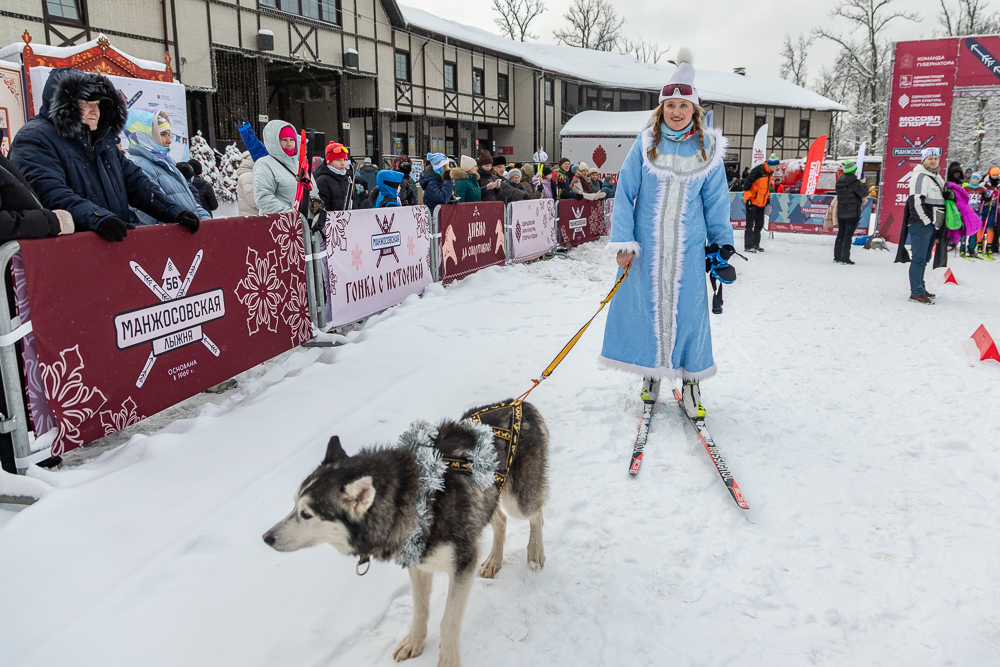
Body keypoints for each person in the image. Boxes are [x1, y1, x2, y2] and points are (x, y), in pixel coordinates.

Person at [601, 54, 736, 419]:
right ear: (661, 109)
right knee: (645, 310)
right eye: (670, 105)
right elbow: (626, 193)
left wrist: (721, 248)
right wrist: (625, 242)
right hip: (646, 251)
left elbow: (717, 203)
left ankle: (691, 384)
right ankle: (651, 373)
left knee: (691, 317)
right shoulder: (645, 143)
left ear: (695, 108)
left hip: (689, 253)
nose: (676, 111)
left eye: (684, 105)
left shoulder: (708, 149)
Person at [9, 67, 199, 242]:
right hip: (70, 251)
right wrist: (98, 218)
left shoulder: (102, 140)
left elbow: (136, 183)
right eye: (84, 103)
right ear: (65, 105)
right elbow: (49, 192)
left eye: (97, 104)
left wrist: (173, 211)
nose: (94, 110)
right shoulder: (35, 137)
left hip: (111, 247)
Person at [124, 109, 208, 229]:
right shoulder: (138, 167)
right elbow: (154, 218)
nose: (169, 140)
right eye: (163, 134)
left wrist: (206, 224)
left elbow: (192, 204)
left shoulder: (168, 163)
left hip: (187, 235)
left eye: (169, 134)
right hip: (171, 239)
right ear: (146, 136)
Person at [896, 147, 945, 304]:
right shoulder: (920, 177)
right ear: (923, 160)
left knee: (924, 258)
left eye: (935, 158)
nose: (932, 161)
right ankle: (916, 292)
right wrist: (925, 221)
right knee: (918, 259)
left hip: (931, 225)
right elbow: (915, 200)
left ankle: (921, 288)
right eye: (929, 158)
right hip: (922, 224)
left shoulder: (936, 177)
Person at [253, 120, 307, 214]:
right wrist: (291, 214)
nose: (289, 144)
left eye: (292, 140)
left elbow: (313, 191)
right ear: (274, 142)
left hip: (304, 223)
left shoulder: (301, 165)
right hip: (278, 224)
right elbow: (264, 198)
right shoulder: (265, 164)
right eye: (284, 140)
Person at [833, 161, 868, 264]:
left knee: (841, 234)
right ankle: (845, 258)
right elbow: (864, 194)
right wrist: (864, 184)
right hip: (853, 213)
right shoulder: (855, 183)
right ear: (853, 171)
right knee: (848, 236)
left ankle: (837, 256)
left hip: (841, 211)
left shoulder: (839, 182)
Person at [316, 141, 366, 211]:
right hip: (334, 219)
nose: (343, 163)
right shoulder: (323, 180)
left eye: (345, 160)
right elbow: (323, 206)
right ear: (329, 162)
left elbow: (355, 200)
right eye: (338, 160)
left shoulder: (348, 178)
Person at [945, 162, 983, 254]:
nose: (957, 175)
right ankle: (956, 243)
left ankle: (968, 246)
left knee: (964, 226)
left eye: (958, 173)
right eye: (955, 173)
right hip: (951, 207)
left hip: (962, 208)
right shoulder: (946, 183)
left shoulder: (963, 184)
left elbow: (965, 196)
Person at [741, 156, 777, 252]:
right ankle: (748, 246)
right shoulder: (758, 171)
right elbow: (747, 184)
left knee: (759, 225)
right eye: (775, 166)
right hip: (752, 201)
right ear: (771, 165)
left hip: (761, 202)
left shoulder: (769, 173)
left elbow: (765, 188)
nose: (776, 167)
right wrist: (748, 198)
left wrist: (767, 198)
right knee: (749, 225)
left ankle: (756, 245)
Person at [962, 172, 986, 257]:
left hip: (976, 211)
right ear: (971, 178)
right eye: (973, 178)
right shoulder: (966, 188)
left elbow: (986, 198)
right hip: (967, 211)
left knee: (974, 229)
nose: (975, 180)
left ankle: (971, 248)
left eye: (977, 179)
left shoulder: (981, 189)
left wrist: (990, 197)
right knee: (965, 228)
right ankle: (962, 247)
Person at [235, 151, 258, 216]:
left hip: (252, 218)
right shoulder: (248, 176)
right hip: (252, 219)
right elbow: (253, 198)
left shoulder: (250, 174)